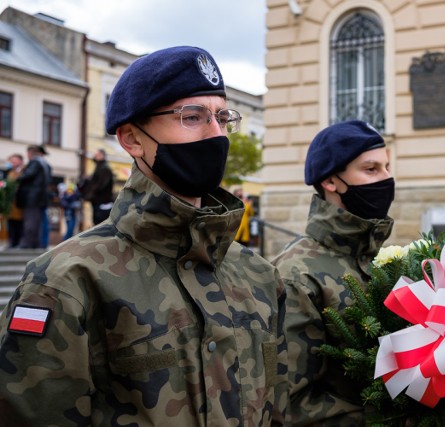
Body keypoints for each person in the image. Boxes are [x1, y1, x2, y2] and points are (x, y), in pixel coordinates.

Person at [0, 46, 288, 426]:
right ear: (133, 140)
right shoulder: (67, 279)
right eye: (192, 116)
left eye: (222, 117)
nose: (216, 134)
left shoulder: (260, 275)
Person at [272, 120, 395, 426]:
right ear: (331, 181)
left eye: (387, 167)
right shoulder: (296, 272)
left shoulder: (381, 258)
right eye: (371, 169)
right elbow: (292, 402)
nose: (387, 178)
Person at [15, 145, 51, 249]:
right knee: (37, 222)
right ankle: (35, 243)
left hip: (32, 198)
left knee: (30, 222)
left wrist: (18, 177)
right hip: (39, 198)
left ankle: (27, 243)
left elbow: (28, 175)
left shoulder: (35, 162)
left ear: (30, 153)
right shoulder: (44, 164)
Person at [84, 148, 114, 225]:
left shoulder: (104, 168)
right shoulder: (99, 167)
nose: (94, 156)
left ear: (102, 156)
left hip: (102, 202)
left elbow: (101, 185)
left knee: (100, 223)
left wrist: (90, 194)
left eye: (96, 155)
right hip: (98, 201)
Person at [4, 154, 24, 248]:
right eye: (11, 161)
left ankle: (17, 242)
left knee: (19, 224)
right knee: (10, 223)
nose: (12, 163)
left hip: (19, 203)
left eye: (14, 161)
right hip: (10, 204)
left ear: (20, 161)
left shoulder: (23, 172)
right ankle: (12, 242)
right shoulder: (10, 172)